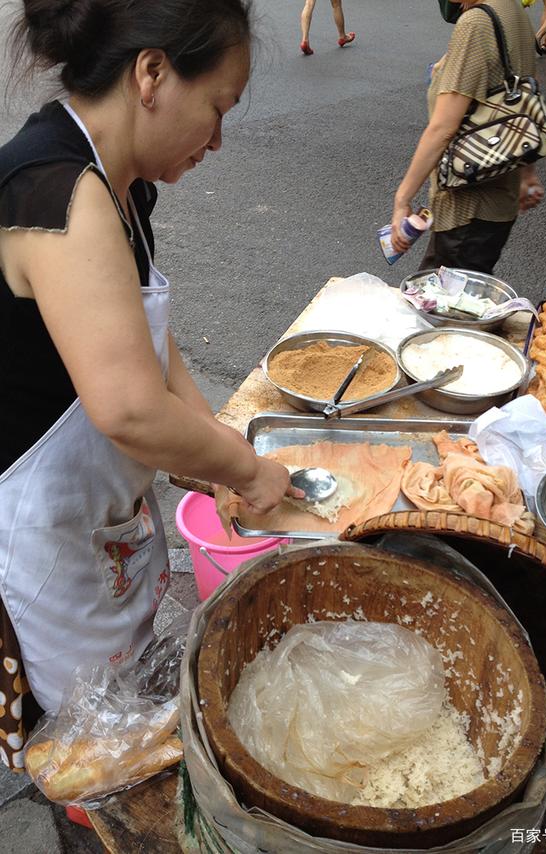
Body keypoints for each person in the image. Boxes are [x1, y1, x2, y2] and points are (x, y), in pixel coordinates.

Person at [0, 0, 304, 770]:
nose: (219, 137)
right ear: (153, 74)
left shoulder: (122, 185)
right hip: (35, 545)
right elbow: (130, 406)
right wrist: (246, 468)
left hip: (94, 524)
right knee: (80, 760)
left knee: (123, 726)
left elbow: (151, 349)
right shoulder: (57, 193)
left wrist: (213, 452)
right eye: (217, 108)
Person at [391, 0, 544, 275]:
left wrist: (402, 199)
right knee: (458, 300)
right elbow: (521, 100)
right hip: (497, 201)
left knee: (438, 308)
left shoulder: (475, 24)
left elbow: (443, 128)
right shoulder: (512, 10)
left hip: (468, 207)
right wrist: (527, 173)